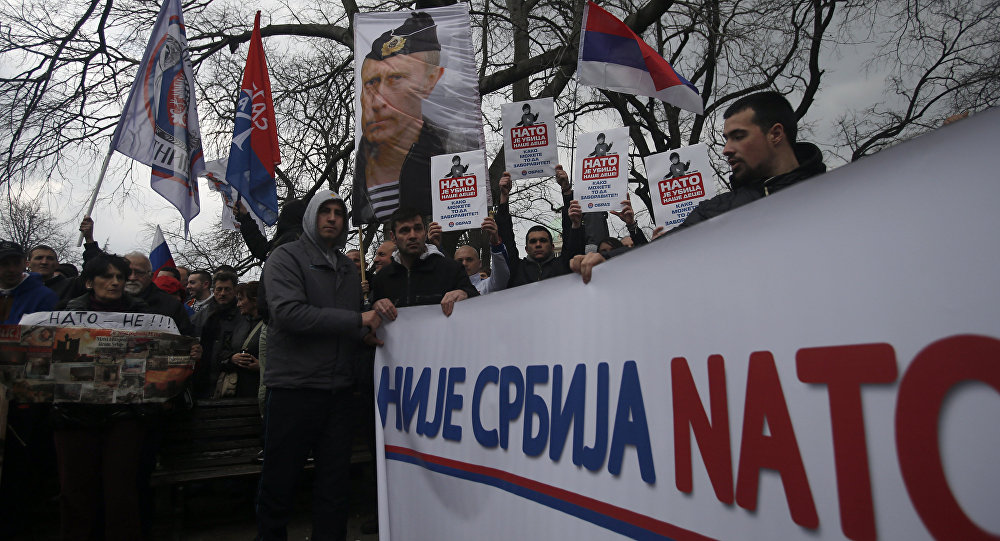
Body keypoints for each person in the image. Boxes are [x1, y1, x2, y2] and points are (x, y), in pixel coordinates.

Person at [570, 91, 828, 283]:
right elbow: (667, 247)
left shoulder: (836, 194)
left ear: (776, 134)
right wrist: (608, 260)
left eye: (739, 136)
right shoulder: (717, 211)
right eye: (726, 139)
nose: (727, 149)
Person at [256, 190, 381, 540]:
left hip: (339, 392)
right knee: (280, 482)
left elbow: (347, 323)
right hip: (294, 389)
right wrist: (357, 321)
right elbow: (289, 314)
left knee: (334, 485)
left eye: (339, 213)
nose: (332, 218)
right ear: (311, 216)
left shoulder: (347, 267)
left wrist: (364, 334)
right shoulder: (285, 257)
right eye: (325, 211)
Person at [51, 254, 154, 541]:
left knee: (121, 491)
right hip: (74, 414)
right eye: (107, 276)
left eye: (120, 277)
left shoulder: (145, 316)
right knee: (75, 491)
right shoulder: (64, 313)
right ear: (89, 282)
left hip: (125, 415)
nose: (115, 282)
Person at [353, 11, 476, 223]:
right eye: (371, 83)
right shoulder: (359, 171)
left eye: (395, 78)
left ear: (430, 81)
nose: (378, 102)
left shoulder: (457, 151)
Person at [370, 207, 479, 320]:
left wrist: (465, 293)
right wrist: (375, 306)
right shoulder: (382, 278)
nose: (413, 236)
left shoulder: (451, 269)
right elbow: (370, 318)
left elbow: (479, 305)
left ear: (425, 232)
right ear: (393, 237)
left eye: (417, 229)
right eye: (405, 230)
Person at [496, 166, 585, 287]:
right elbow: (506, 235)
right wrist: (504, 196)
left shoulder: (564, 265)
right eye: (533, 242)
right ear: (526, 249)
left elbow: (572, 239)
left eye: (543, 240)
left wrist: (566, 190)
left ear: (552, 246)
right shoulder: (517, 269)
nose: (538, 244)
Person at [191, 272, 241, 398]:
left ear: (235, 290)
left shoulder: (243, 316)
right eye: (219, 289)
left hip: (231, 380)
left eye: (227, 289)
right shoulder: (200, 317)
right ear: (214, 290)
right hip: (203, 378)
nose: (222, 293)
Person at [122, 251, 195, 336]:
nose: (132, 277)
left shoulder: (171, 306)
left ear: (151, 276)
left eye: (139, 273)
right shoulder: (109, 300)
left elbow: (186, 338)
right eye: (127, 272)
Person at [216, 281, 263, 398]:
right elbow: (222, 350)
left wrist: (262, 367)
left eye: (241, 300)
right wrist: (232, 358)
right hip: (236, 389)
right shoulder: (239, 323)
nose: (238, 304)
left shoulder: (273, 325)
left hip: (260, 388)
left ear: (254, 300)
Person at [1, 240, 58, 324]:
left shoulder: (44, 296)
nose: (12, 269)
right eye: (5, 264)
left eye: (17, 263)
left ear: (25, 264)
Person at [453, 217, 509, 295]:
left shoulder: (488, 286)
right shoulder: (446, 288)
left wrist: (495, 244)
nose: (464, 263)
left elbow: (501, 274)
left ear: (479, 263)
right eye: (459, 260)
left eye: (469, 259)